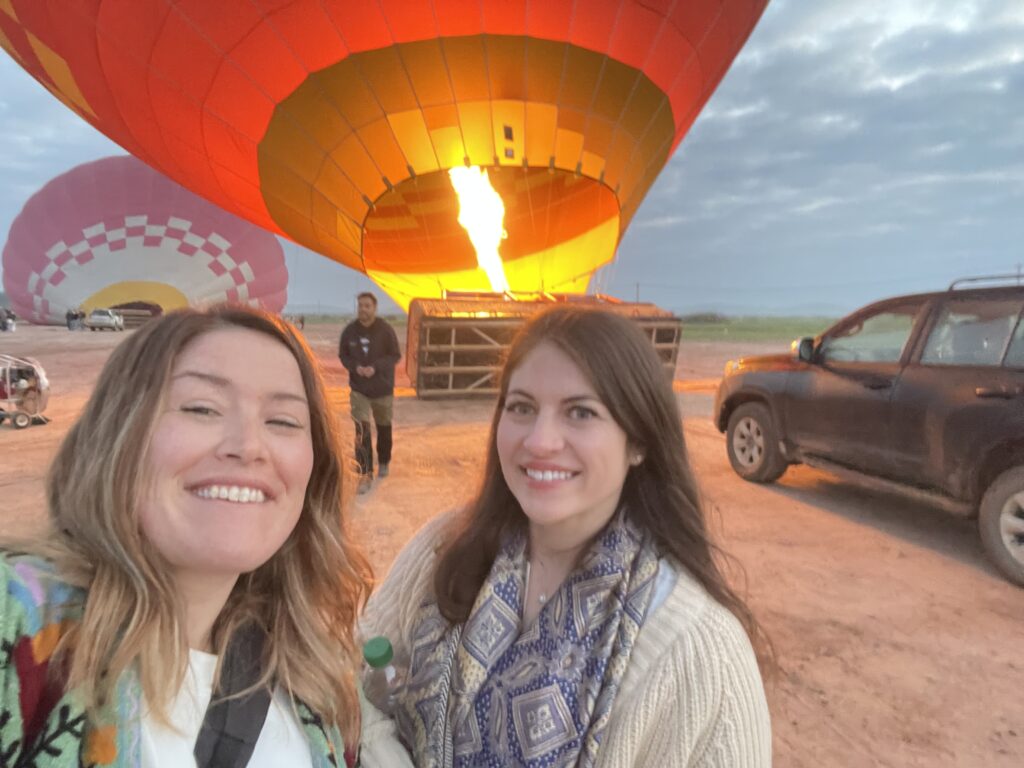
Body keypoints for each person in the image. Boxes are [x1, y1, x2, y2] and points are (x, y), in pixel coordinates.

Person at [361, 306, 772, 767]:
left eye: (580, 412)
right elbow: (348, 675)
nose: (540, 440)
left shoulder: (702, 654)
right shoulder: (442, 547)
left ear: (638, 442)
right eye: (522, 407)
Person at [0, 305, 409, 767]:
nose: (249, 446)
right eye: (202, 408)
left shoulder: (315, 671)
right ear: (118, 432)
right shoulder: (19, 628)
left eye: (283, 421)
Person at [338, 292, 400, 493]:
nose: (363, 309)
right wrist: (355, 367)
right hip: (359, 390)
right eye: (360, 305)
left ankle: (384, 460)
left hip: (383, 388)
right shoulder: (350, 331)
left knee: (383, 427)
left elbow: (395, 355)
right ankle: (364, 475)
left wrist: (376, 367)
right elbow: (343, 355)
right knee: (361, 430)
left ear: (374, 308)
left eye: (367, 306)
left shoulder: (385, 330)